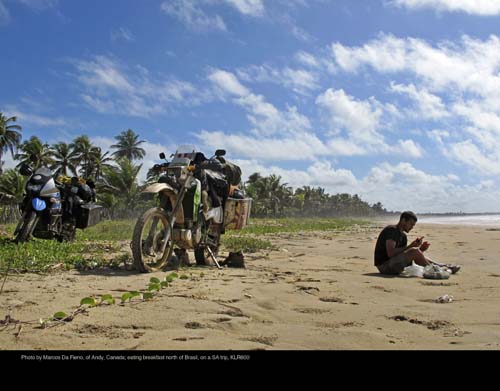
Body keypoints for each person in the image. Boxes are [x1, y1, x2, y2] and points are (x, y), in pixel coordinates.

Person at [374, 211, 460, 275]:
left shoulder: (403, 236)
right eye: (410, 224)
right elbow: (391, 253)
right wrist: (411, 246)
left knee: (415, 251)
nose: (412, 227)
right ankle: (436, 271)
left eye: (413, 225)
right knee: (414, 251)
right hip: (384, 267)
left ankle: (442, 266)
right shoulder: (392, 230)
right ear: (403, 220)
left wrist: (421, 250)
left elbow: (404, 255)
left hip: (393, 264)